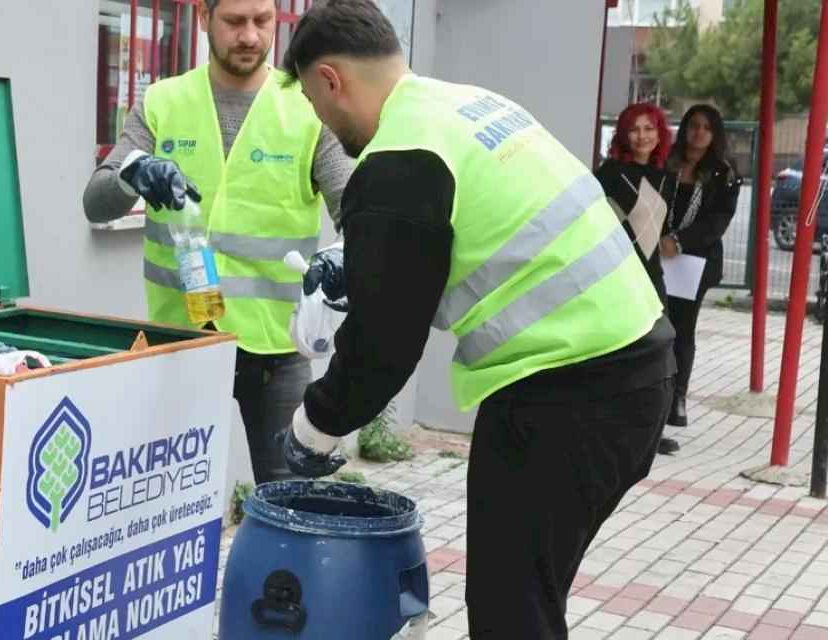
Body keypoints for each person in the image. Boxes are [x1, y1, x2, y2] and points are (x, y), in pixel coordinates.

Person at [276, 2, 676, 637]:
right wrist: (361, 264)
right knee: (529, 597)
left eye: (313, 104)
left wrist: (315, 428)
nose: (322, 122)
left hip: (566, 396)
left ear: (329, 80)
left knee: (509, 612)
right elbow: (464, 238)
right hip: (634, 369)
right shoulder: (462, 105)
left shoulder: (397, 159)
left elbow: (382, 348)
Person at [81, 0, 353, 485]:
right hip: (179, 342)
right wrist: (133, 172)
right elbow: (96, 203)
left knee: (290, 500)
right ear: (204, 18)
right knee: (164, 499)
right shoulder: (163, 102)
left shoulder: (307, 106)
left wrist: (340, 258)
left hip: (276, 348)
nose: (250, 36)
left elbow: (356, 211)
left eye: (262, 21)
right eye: (235, 21)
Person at [595, 102, 682, 455]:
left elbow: (666, 229)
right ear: (623, 135)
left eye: (650, 128)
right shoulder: (610, 174)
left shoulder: (668, 178)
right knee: (616, 349)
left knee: (655, 351)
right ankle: (608, 423)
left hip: (652, 275)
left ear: (660, 134)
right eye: (635, 128)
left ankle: (648, 429)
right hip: (617, 274)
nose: (642, 136)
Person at [659, 104, 741, 427]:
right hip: (657, 255)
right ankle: (653, 392)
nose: (699, 133)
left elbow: (717, 220)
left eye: (707, 128)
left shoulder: (724, 172)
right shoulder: (666, 162)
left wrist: (678, 242)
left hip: (694, 261)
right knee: (654, 325)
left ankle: (677, 397)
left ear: (715, 133)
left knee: (682, 327)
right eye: (694, 125)